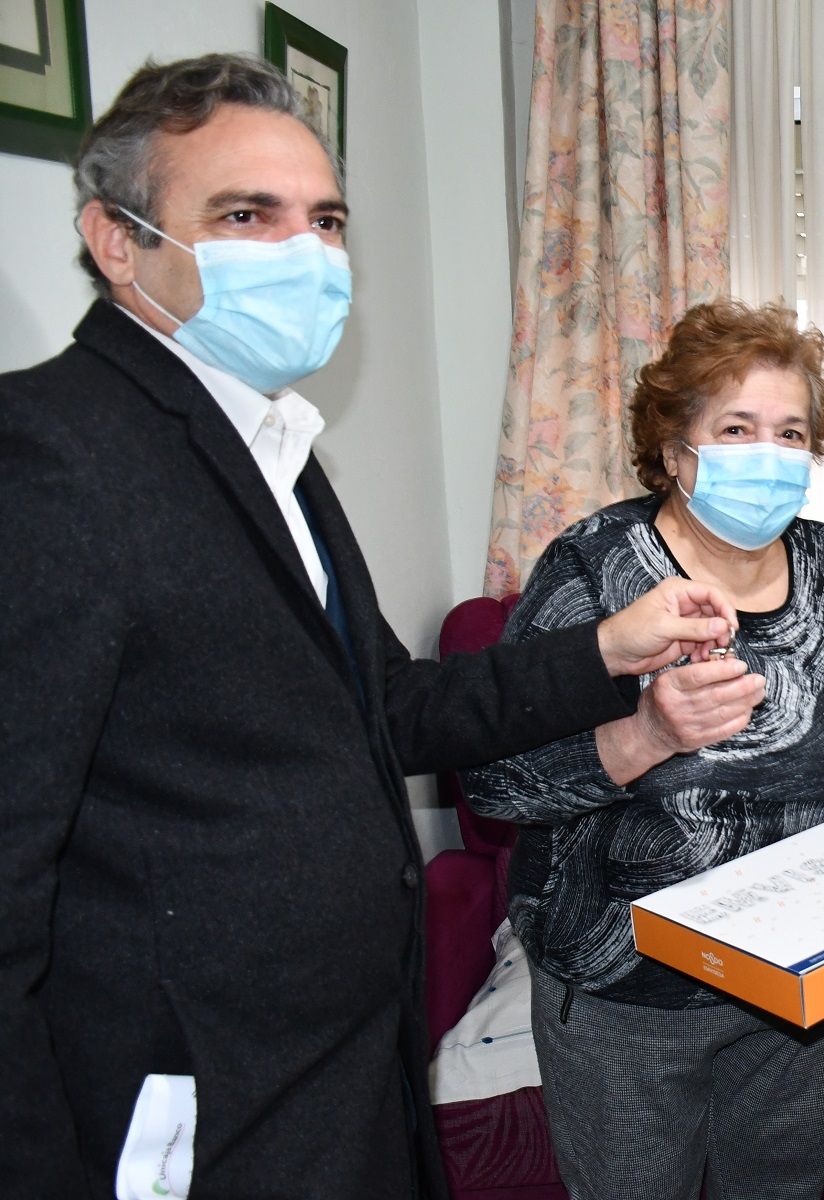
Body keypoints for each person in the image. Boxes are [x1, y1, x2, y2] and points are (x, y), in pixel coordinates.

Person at [0, 54, 735, 1200]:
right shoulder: (50, 455)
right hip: (194, 1102)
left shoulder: (277, 451)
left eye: (326, 219)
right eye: (247, 215)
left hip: (345, 1069)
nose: (306, 253)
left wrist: (606, 648)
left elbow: (386, 708)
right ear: (117, 240)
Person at [464, 299, 824, 1200]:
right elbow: (493, 782)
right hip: (627, 990)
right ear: (679, 448)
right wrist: (646, 733)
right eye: (737, 428)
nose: (769, 454)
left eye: (791, 432)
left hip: (798, 984)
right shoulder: (594, 568)